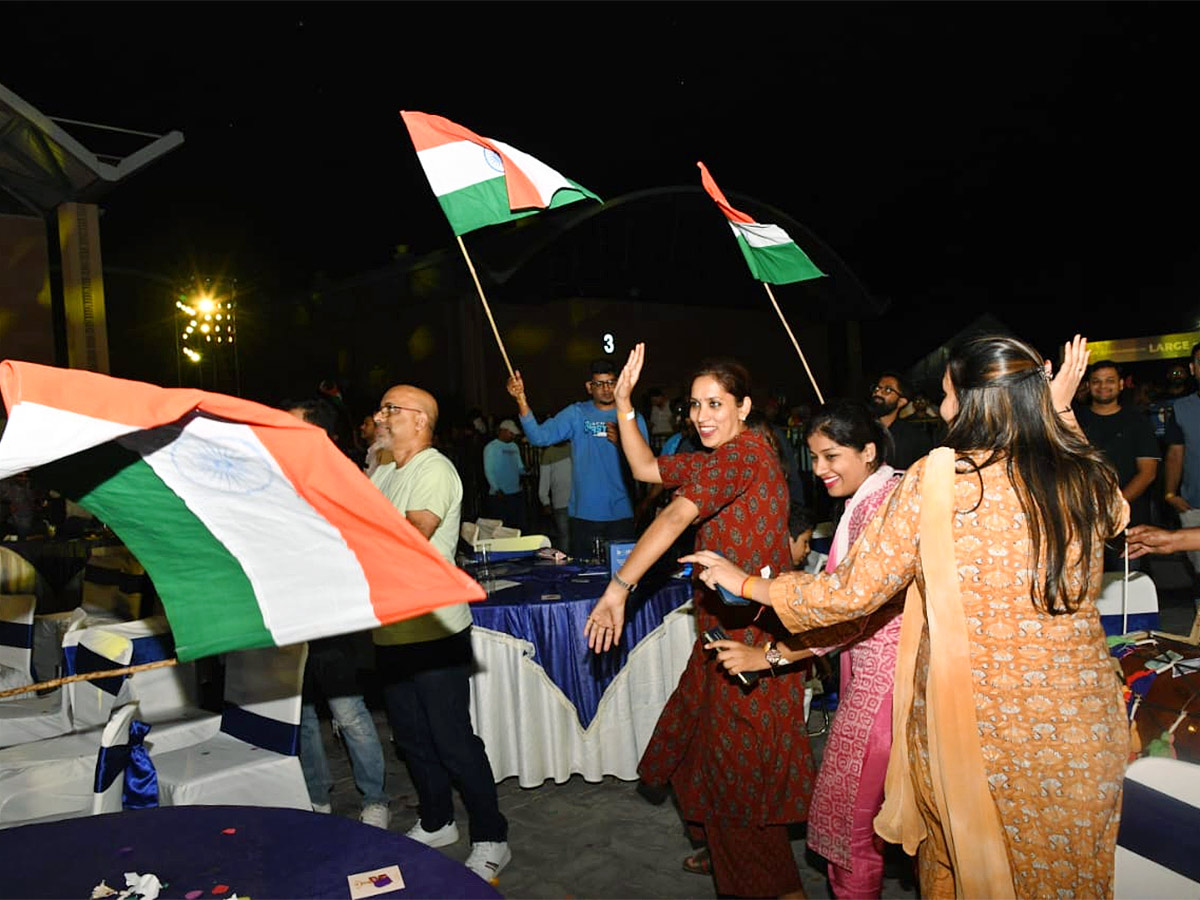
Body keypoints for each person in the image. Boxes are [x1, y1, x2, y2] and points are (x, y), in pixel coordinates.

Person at [685, 334, 1129, 899]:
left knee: (969, 873)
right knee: (1064, 877)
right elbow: (1116, 516)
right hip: (1079, 725)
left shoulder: (941, 477)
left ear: (970, 402)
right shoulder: (1078, 470)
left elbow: (850, 594)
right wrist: (1060, 414)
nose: (941, 409)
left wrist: (744, 582)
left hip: (981, 724)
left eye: (946, 395)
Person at [585, 343, 816, 900]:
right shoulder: (726, 456)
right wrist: (623, 404)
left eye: (716, 403)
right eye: (694, 405)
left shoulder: (743, 456)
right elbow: (645, 468)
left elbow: (676, 513)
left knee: (739, 791)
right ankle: (721, 845)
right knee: (690, 755)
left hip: (751, 645)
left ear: (743, 406)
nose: (702, 416)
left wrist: (619, 587)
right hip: (720, 637)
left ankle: (759, 872)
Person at [370, 385, 511, 882]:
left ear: (421, 420)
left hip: (435, 630)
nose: (380, 416)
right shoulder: (383, 470)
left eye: (391, 409)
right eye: (381, 408)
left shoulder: (434, 469)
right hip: (391, 628)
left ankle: (493, 835)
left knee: (452, 739)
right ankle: (436, 820)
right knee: (410, 736)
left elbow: (411, 536)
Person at [784, 401, 904, 898]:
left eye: (831, 456)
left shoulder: (876, 510)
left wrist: (775, 655)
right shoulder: (886, 493)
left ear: (869, 452)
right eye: (814, 458)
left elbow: (852, 607)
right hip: (888, 671)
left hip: (881, 678)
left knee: (846, 826)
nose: (819, 471)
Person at [286, 398, 390, 829]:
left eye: (291, 425)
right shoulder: (280, 475)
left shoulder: (343, 475)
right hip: (290, 610)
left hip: (331, 611)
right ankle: (316, 797)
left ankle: (376, 798)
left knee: (347, 711)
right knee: (303, 714)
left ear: (317, 432)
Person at [506, 360, 648, 561]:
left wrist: (623, 444)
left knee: (624, 579)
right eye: (599, 384)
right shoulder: (576, 414)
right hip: (584, 515)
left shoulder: (632, 417)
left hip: (621, 515)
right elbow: (539, 437)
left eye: (611, 382)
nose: (606, 389)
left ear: (619, 384)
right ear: (589, 387)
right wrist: (521, 399)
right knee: (584, 580)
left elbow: (646, 466)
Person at [869, 371, 933, 469]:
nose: (878, 392)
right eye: (877, 388)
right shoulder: (860, 431)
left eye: (887, 390)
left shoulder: (916, 439)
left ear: (901, 402)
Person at [482, 419, 526, 531]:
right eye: (511, 433)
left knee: (516, 527)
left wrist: (526, 471)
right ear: (503, 431)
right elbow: (488, 470)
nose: (513, 436)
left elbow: (519, 466)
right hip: (500, 495)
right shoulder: (491, 447)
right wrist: (496, 488)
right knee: (502, 529)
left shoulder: (514, 446)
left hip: (515, 492)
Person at [537, 440, 572, 550]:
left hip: (578, 502)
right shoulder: (548, 453)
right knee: (564, 537)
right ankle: (566, 564)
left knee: (578, 536)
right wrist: (545, 501)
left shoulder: (574, 447)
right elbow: (544, 481)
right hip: (560, 502)